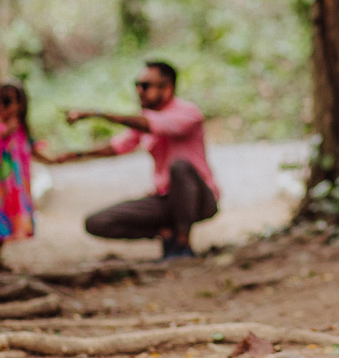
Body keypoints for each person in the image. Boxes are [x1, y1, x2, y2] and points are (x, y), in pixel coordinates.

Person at [56, 61, 219, 259]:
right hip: (165, 199)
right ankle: (166, 234)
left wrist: (95, 113)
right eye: (137, 85)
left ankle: (182, 244)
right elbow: (118, 147)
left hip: (200, 199)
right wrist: (74, 155)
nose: (139, 91)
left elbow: (153, 125)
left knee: (180, 167)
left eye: (145, 86)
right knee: (96, 222)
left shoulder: (188, 113)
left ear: (167, 88)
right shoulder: (145, 119)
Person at [0, 80, 55, 271]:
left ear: (20, 104)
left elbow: (32, 149)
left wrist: (58, 159)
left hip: (14, 186)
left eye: (7, 101)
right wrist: (7, 130)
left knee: (7, 217)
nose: (1, 106)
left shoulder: (21, 129)